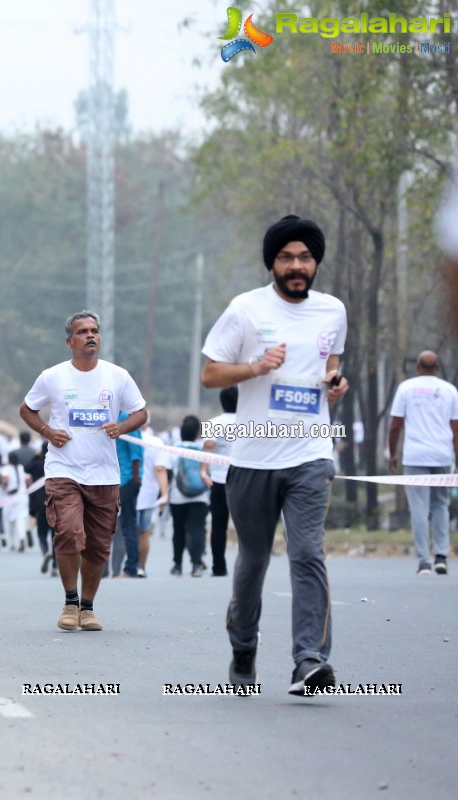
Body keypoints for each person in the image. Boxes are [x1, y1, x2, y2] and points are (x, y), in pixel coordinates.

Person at [201, 214, 348, 695]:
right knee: (254, 562)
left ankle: (309, 659)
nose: (296, 265)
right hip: (253, 458)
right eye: (286, 257)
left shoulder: (333, 311)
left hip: (310, 453)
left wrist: (334, 383)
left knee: (307, 554)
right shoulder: (246, 309)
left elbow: (330, 364)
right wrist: (255, 366)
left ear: (316, 262)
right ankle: (243, 645)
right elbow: (210, 374)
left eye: (305, 257)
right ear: (272, 264)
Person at [20, 310, 147, 632]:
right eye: (82, 332)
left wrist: (121, 426)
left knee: (98, 544)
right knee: (69, 531)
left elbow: (141, 412)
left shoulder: (117, 376)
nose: (90, 335)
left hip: (105, 474)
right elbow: (27, 409)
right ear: (69, 341)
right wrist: (48, 432)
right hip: (64, 469)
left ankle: (88, 607)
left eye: (94, 331)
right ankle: (70, 600)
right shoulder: (53, 376)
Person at [388, 350, 458, 575]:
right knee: (440, 506)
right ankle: (441, 556)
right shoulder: (450, 391)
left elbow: (395, 424)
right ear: (437, 368)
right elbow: (456, 429)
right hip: (442, 455)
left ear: (418, 367)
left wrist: (392, 453)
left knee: (419, 508)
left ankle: (424, 561)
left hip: (415, 456)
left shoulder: (405, 389)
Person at [156, 415, 211, 577]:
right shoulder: (204, 451)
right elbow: (208, 473)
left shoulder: (173, 450)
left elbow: (166, 472)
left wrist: (164, 495)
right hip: (200, 497)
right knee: (198, 529)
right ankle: (196, 565)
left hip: (177, 497)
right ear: (197, 433)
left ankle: (178, 565)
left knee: (178, 530)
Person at [206, 387, 238, 576]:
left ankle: (219, 566)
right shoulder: (249, 423)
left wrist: (204, 472)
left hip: (218, 480)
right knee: (248, 525)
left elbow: (207, 450)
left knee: (218, 526)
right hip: (243, 480)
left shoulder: (213, 423)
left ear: (221, 403)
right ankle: (249, 566)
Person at [109, 411, 144, 578]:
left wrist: (135, 480)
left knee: (128, 525)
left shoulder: (125, 418)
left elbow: (136, 452)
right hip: (115, 479)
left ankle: (131, 568)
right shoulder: (111, 416)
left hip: (127, 479)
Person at [133, 426, 163, 578]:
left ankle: (127, 566)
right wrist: (165, 493)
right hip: (149, 494)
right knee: (143, 532)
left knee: (125, 532)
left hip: (128, 490)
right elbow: (160, 469)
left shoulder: (123, 436)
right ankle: (141, 566)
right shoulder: (156, 441)